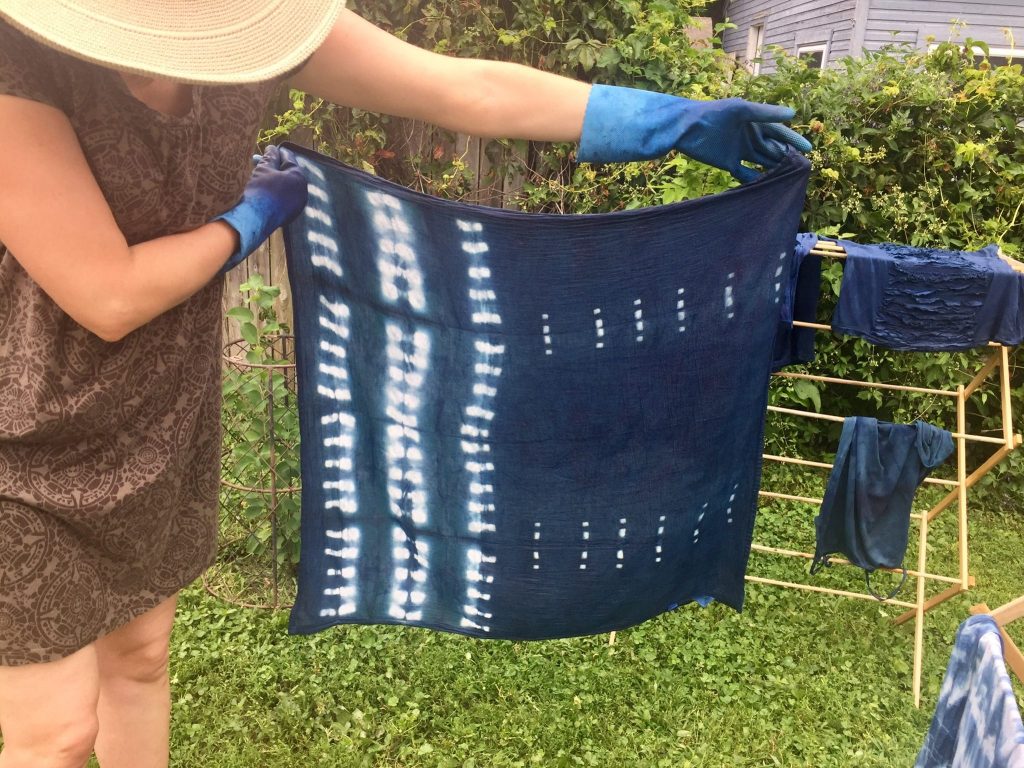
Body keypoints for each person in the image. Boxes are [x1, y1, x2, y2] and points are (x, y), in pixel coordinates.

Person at [0, 2, 810, 766]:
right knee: (59, 733)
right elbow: (107, 295)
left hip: (158, 413)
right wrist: (245, 219)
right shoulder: (18, 62)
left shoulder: (249, 36)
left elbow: (463, 85)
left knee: (140, 661)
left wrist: (665, 118)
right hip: (23, 438)